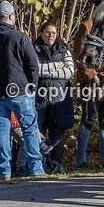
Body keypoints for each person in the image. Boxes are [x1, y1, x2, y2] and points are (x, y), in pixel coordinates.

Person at [0, 2, 44, 179]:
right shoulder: (19, 37)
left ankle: (4, 171)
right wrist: (33, 85)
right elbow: (32, 64)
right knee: (29, 129)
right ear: (11, 16)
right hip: (20, 91)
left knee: (1, 131)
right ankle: (36, 169)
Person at [32, 22, 75, 170]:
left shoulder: (64, 50)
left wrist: (46, 71)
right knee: (38, 134)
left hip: (60, 99)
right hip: (39, 98)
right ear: (41, 33)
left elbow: (69, 71)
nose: (50, 35)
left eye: (53, 33)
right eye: (47, 32)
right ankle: (39, 166)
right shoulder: (33, 49)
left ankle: (56, 165)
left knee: (58, 135)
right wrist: (56, 65)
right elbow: (35, 70)